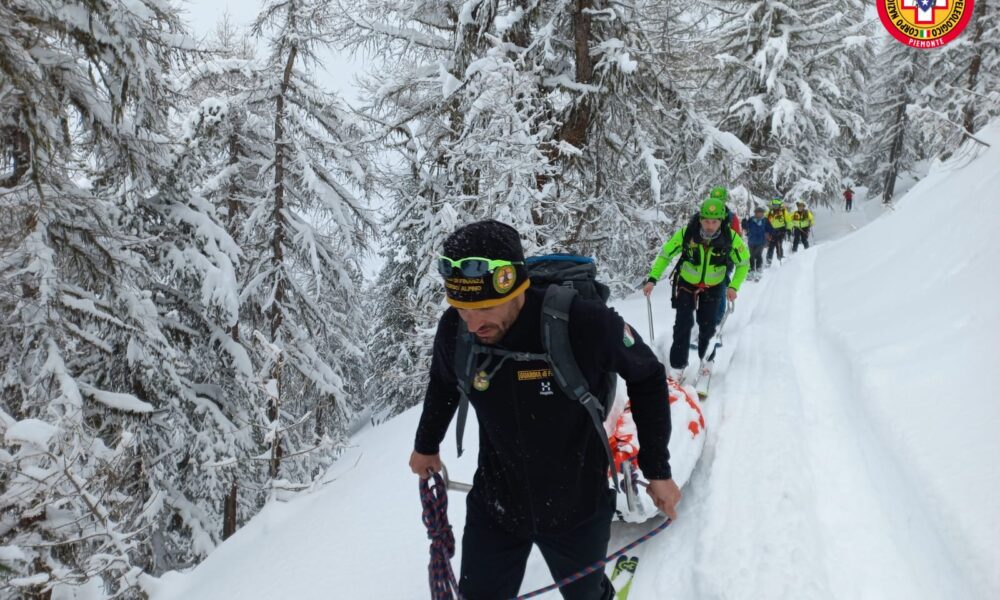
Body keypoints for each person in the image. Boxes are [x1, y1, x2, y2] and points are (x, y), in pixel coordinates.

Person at [410, 220, 681, 600]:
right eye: (461, 307)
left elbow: (648, 375)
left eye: (485, 307)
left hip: (577, 509)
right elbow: (443, 380)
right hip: (496, 507)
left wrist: (657, 470)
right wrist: (426, 444)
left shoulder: (580, 321)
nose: (471, 323)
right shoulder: (457, 328)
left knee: (585, 595)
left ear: (517, 286)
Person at [642, 198, 749, 381]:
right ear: (700, 219)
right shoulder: (687, 233)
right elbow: (666, 254)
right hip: (686, 284)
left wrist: (733, 286)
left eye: (714, 222)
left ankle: (706, 362)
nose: (709, 226)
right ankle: (677, 367)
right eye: (706, 220)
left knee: (708, 327)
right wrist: (652, 278)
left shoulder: (731, 238)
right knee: (682, 325)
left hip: (714, 286)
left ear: (721, 221)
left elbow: (743, 264)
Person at [741, 206, 768, 280]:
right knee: (751, 256)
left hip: (761, 241)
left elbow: (769, 228)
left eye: (761, 213)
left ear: (763, 214)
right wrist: (744, 221)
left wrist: (773, 234)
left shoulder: (765, 220)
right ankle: (751, 269)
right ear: (755, 213)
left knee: (758, 255)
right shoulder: (751, 219)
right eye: (757, 213)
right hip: (751, 241)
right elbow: (745, 226)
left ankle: (759, 269)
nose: (759, 214)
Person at [764, 198, 791, 266]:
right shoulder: (769, 213)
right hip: (772, 231)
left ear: (779, 205)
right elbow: (763, 220)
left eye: (777, 205)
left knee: (779, 244)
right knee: (771, 246)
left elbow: (788, 220)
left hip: (781, 231)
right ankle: (768, 260)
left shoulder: (783, 212)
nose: (775, 207)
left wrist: (789, 229)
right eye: (774, 205)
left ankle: (780, 257)